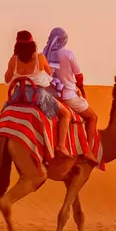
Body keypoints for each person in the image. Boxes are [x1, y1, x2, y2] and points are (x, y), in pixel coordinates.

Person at [5, 30, 68, 147]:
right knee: (65, 114)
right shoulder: (40, 58)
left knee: (2, 116)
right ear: (32, 43)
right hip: (38, 96)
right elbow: (50, 74)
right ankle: (61, 146)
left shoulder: (13, 59)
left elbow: (7, 79)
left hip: (18, 96)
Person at [43, 27, 98, 158]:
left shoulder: (43, 54)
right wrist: (81, 88)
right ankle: (88, 151)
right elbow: (79, 76)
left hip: (49, 96)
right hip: (67, 96)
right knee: (92, 118)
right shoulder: (68, 54)